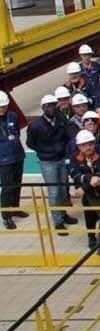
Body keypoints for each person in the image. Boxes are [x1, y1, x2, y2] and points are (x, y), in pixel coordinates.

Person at [27, 94, 76, 232]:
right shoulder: (36, 126)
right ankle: (58, 221)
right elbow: (30, 143)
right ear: (43, 108)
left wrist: (63, 149)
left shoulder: (60, 120)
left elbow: (67, 135)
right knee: (54, 191)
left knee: (62, 189)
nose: (51, 108)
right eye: (48, 106)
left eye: (53, 105)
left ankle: (63, 213)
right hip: (48, 162)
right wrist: (46, 151)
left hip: (61, 159)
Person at [0, 90, 26, 230]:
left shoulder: (12, 116)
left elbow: (16, 132)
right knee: (7, 187)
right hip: (4, 160)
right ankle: (6, 216)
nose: (2, 110)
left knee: (17, 184)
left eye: (4, 107)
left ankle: (15, 207)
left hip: (17, 156)